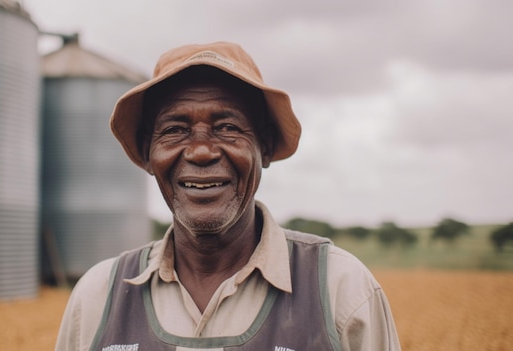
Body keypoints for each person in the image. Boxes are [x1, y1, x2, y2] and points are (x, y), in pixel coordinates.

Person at [55, 41, 401, 351]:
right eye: (175, 130)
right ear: (148, 153)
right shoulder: (98, 297)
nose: (201, 151)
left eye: (227, 127)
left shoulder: (341, 291)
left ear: (263, 146)